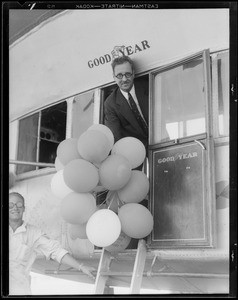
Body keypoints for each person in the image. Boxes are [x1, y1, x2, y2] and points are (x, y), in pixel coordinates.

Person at [9, 192, 95, 295]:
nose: (15, 208)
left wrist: (81, 267)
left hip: (20, 291)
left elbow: (56, 251)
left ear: (24, 208)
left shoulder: (33, 233)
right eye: (10, 205)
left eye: (19, 204)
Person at [104, 55, 149, 152]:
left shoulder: (149, 86)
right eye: (119, 75)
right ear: (114, 77)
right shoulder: (110, 103)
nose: (124, 79)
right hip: (133, 148)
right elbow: (115, 137)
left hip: (159, 140)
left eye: (127, 74)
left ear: (133, 74)